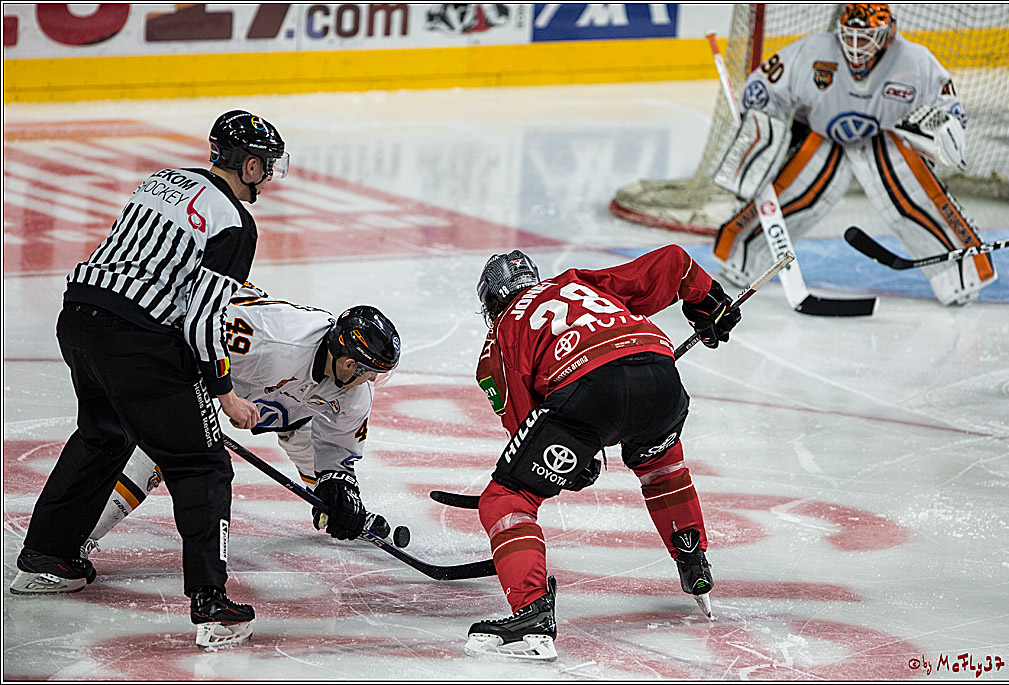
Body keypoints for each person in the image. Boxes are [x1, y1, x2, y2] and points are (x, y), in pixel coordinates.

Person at [11, 110, 288, 651]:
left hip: (79, 318)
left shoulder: (164, 179)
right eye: (266, 168)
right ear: (249, 164)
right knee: (200, 462)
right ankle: (211, 602)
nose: (269, 179)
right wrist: (223, 390)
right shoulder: (234, 221)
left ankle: (47, 558)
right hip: (136, 338)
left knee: (104, 435)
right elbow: (206, 315)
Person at [464, 247, 741, 661]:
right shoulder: (577, 282)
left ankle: (531, 611)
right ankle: (692, 556)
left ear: (491, 301)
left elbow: (524, 421)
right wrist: (707, 300)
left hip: (590, 392)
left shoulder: (500, 335)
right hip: (660, 375)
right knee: (659, 465)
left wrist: (572, 461)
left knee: (507, 499)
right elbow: (673, 262)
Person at [76, 284, 402, 559]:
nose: (372, 380)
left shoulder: (352, 390)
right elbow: (199, 335)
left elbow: (337, 446)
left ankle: (322, 504)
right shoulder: (276, 342)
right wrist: (220, 401)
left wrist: (339, 489)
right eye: (371, 372)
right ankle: (79, 534)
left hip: (265, 379)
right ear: (349, 364)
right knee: (173, 445)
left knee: (299, 424)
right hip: (196, 342)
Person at [712, 3, 996, 306]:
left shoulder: (916, 61)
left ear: (888, 33)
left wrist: (943, 134)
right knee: (791, 198)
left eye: (866, 37)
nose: (856, 46)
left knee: (915, 199)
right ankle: (740, 255)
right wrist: (761, 130)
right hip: (823, 137)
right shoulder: (813, 51)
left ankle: (961, 272)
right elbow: (763, 87)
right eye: (850, 36)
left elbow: (949, 109)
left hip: (886, 140)